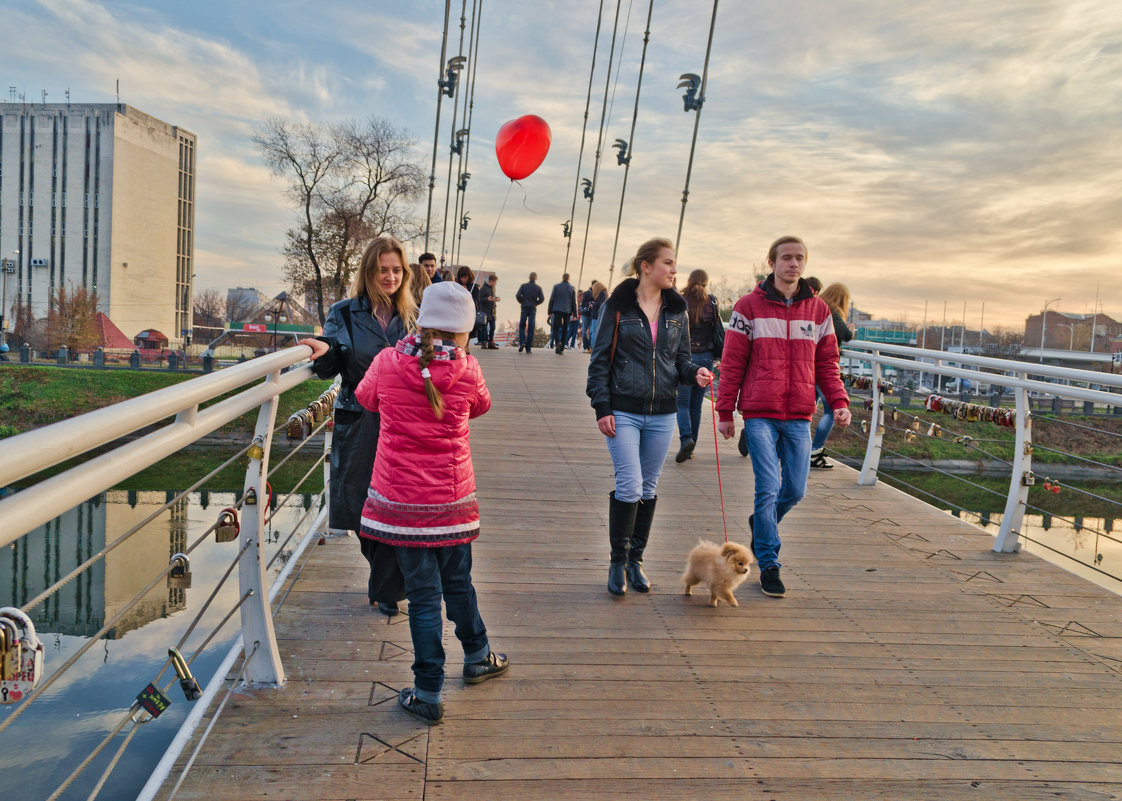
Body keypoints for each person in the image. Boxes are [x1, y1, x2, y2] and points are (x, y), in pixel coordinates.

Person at [354, 280, 508, 725]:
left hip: (401, 506)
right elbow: (480, 407)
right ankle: (478, 656)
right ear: (462, 331)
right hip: (452, 503)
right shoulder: (469, 369)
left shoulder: (387, 361)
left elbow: (366, 399)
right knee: (459, 583)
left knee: (423, 598)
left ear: (421, 322)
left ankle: (428, 693)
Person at [715, 236, 851, 598]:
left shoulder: (819, 311)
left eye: (799, 258)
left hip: (799, 414)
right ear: (772, 262)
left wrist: (838, 401)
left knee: (796, 488)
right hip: (760, 412)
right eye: (786, 258)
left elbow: (827, 363)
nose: (793, 264)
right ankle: (769, 564)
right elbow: (731, 363)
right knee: (768, 487)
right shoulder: (748, 307)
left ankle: (761, 526)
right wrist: (725, 410)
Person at [586, 238, 715, 596]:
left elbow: (682, 360)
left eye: (675, 264)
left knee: (648, 486)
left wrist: (695, 374)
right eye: (669, 263)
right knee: (629, 484)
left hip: (663, 413)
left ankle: (634, 560)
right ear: (646, 266)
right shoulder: (617, 307)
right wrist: (602, 408)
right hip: (623, 410)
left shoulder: (677, 310)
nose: (675, 271)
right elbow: (599, 362)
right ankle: (617, 561)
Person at [299, 235, 416, 617]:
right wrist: (322, 350)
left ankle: (386, 588)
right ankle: (387, 581)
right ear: (368, 272)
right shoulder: (344, 312)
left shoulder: (414, 315)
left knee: (397, 501)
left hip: (403, 419)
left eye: (397, 270)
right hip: (359, 414)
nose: (390, 276)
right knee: (361, 503)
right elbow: (331, 363)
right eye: (383, 270)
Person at [675, 269, 725, 463]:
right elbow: (716, 329)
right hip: (705, 357)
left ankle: (686, 438)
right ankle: (692, 445)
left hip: (685, 357)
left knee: (682, 403)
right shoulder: (712, 301)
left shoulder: (681, 300)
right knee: (696, 404)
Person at [810, 282, 853, 468]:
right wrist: (851, 329)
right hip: (823, 367)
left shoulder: (816, 306)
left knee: (807, 407)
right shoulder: (833, 312)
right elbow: (846, 334)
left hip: (808, 365)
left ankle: (794, 448)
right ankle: (815, 450)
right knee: (829, 410)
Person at [548, 273, 578, 355]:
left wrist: (549, 311)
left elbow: (552, 299)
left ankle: (558, 343)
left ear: (562, 278)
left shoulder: (556, 287)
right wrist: (575, 314)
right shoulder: (572, 288)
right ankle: (561, 347)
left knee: (556, 328)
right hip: (567, 311)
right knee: (565, 329)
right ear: (569, 278)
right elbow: (573, 302)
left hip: (557, 310)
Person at [515, 271, 544, 353]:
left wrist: (522, 302)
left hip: (524, 307)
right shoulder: (538, 288)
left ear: (529, 277)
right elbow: (542, 299)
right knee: (531, 327)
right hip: (532, 308)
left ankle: (522, 343)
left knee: (522, 326)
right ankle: (528, 348)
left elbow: (517, 295)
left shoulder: (523, 286)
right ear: (536, 278)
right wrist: (536, 303)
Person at [476, 274, 500, 349]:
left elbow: (492, 298)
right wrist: (487, 299)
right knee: (485, 328)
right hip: (485, 311)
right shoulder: (483, 288)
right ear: (491, 281)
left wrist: (496, 298)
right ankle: (484, 342)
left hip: (492, 311)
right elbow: (480, 299)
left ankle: (490, 342)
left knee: (493, 327)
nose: (496, 283)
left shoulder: (493, 288)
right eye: (495, 282)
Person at [588, 280, 608, 349]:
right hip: (599, 315)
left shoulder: (602, 293)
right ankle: (593, 346)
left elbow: (599, 304)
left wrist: (593, 305)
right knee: (594, 331)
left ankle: (593, 347)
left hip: (596, 315)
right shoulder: (604, 293)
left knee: (593, 331)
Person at [579, 281, 597, 350]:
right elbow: (583, 303)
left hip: (592, 314)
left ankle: (589, 347)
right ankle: (586, 346)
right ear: (592, 285)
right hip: (585, 314)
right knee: (584, 332)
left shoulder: (597, 293)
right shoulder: (587, 293)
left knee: (591, 331)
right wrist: (590, 303)